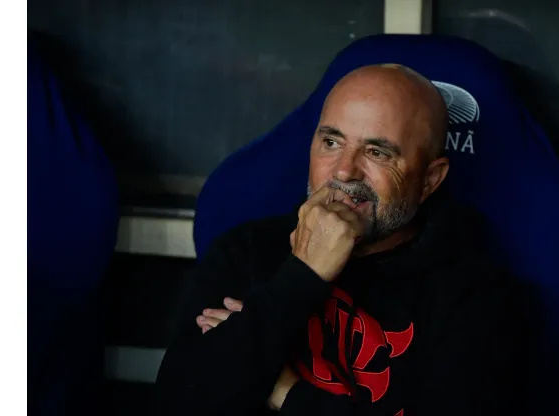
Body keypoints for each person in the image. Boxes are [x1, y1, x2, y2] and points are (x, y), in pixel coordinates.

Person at [155, 64, 527, 415]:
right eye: (331, 142)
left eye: (377, 152)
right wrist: (302, 273)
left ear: (430, 180)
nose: (345, 170)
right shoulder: (247, 251)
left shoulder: (473, 292)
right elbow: (178, 404)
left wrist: (287, 394)